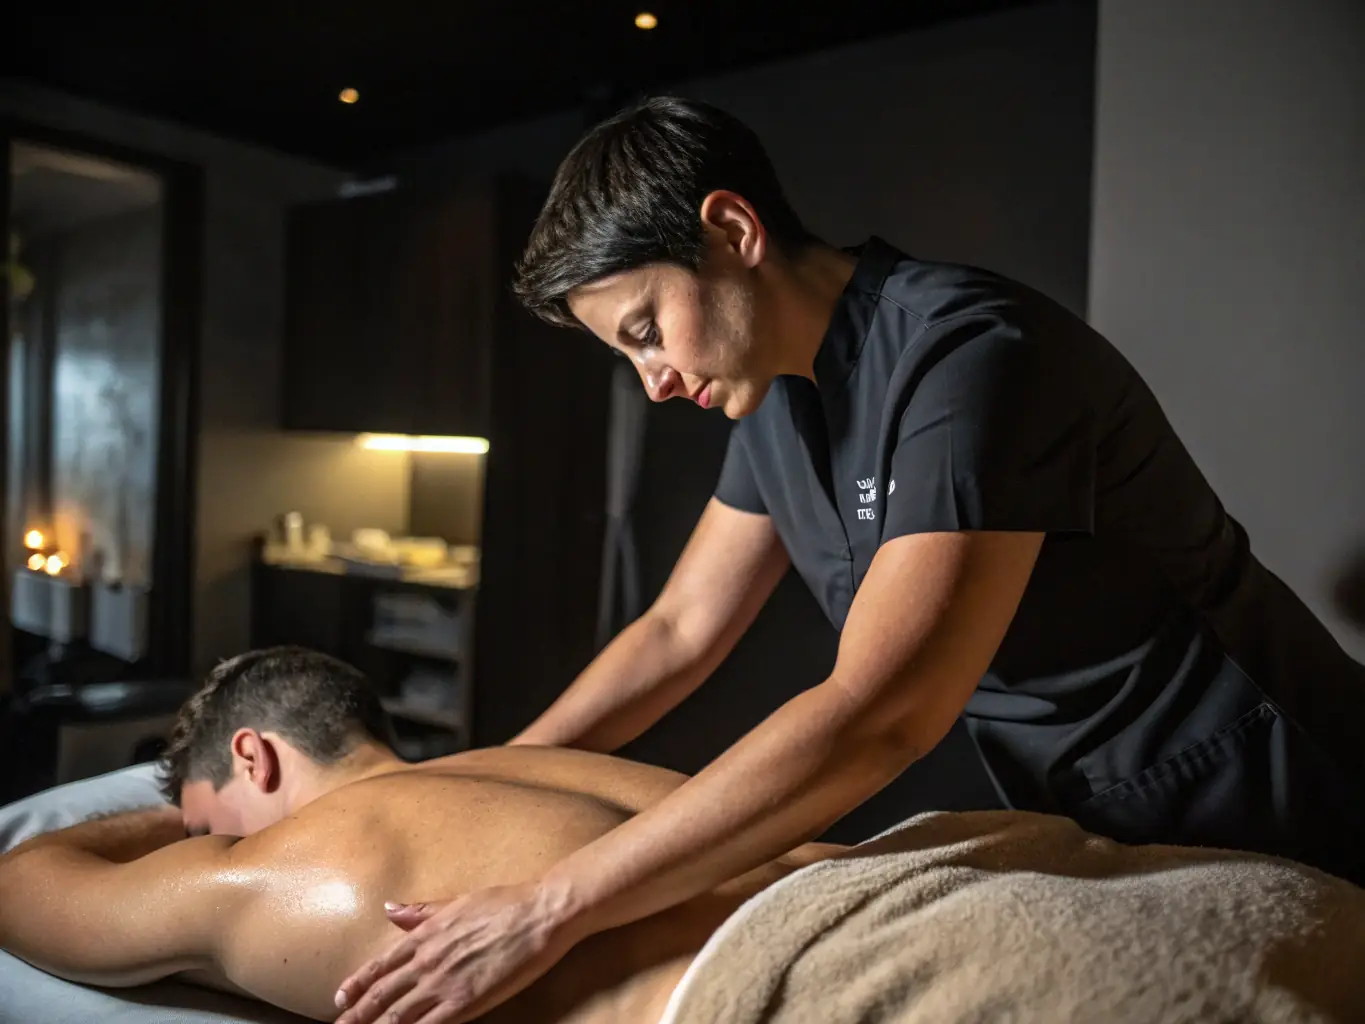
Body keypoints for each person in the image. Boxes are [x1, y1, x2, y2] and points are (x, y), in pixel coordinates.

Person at [335, 95, 1365, 1024]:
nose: (651, 380)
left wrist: (550, 906)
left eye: (647, 329)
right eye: (626, 352)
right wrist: (474, 776)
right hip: (1093, 800)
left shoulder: (966, 359)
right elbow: (675, 633)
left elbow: (882, 711)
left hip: (1274, 771)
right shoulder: (775, 399)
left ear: (732, 231)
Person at [0, 646, 838, 1023]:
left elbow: (19, 883)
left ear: (253, 757)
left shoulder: (305, 862)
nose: (204, 847)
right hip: (903, 884)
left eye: (205, 827)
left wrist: (171, 822)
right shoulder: (537, 768)